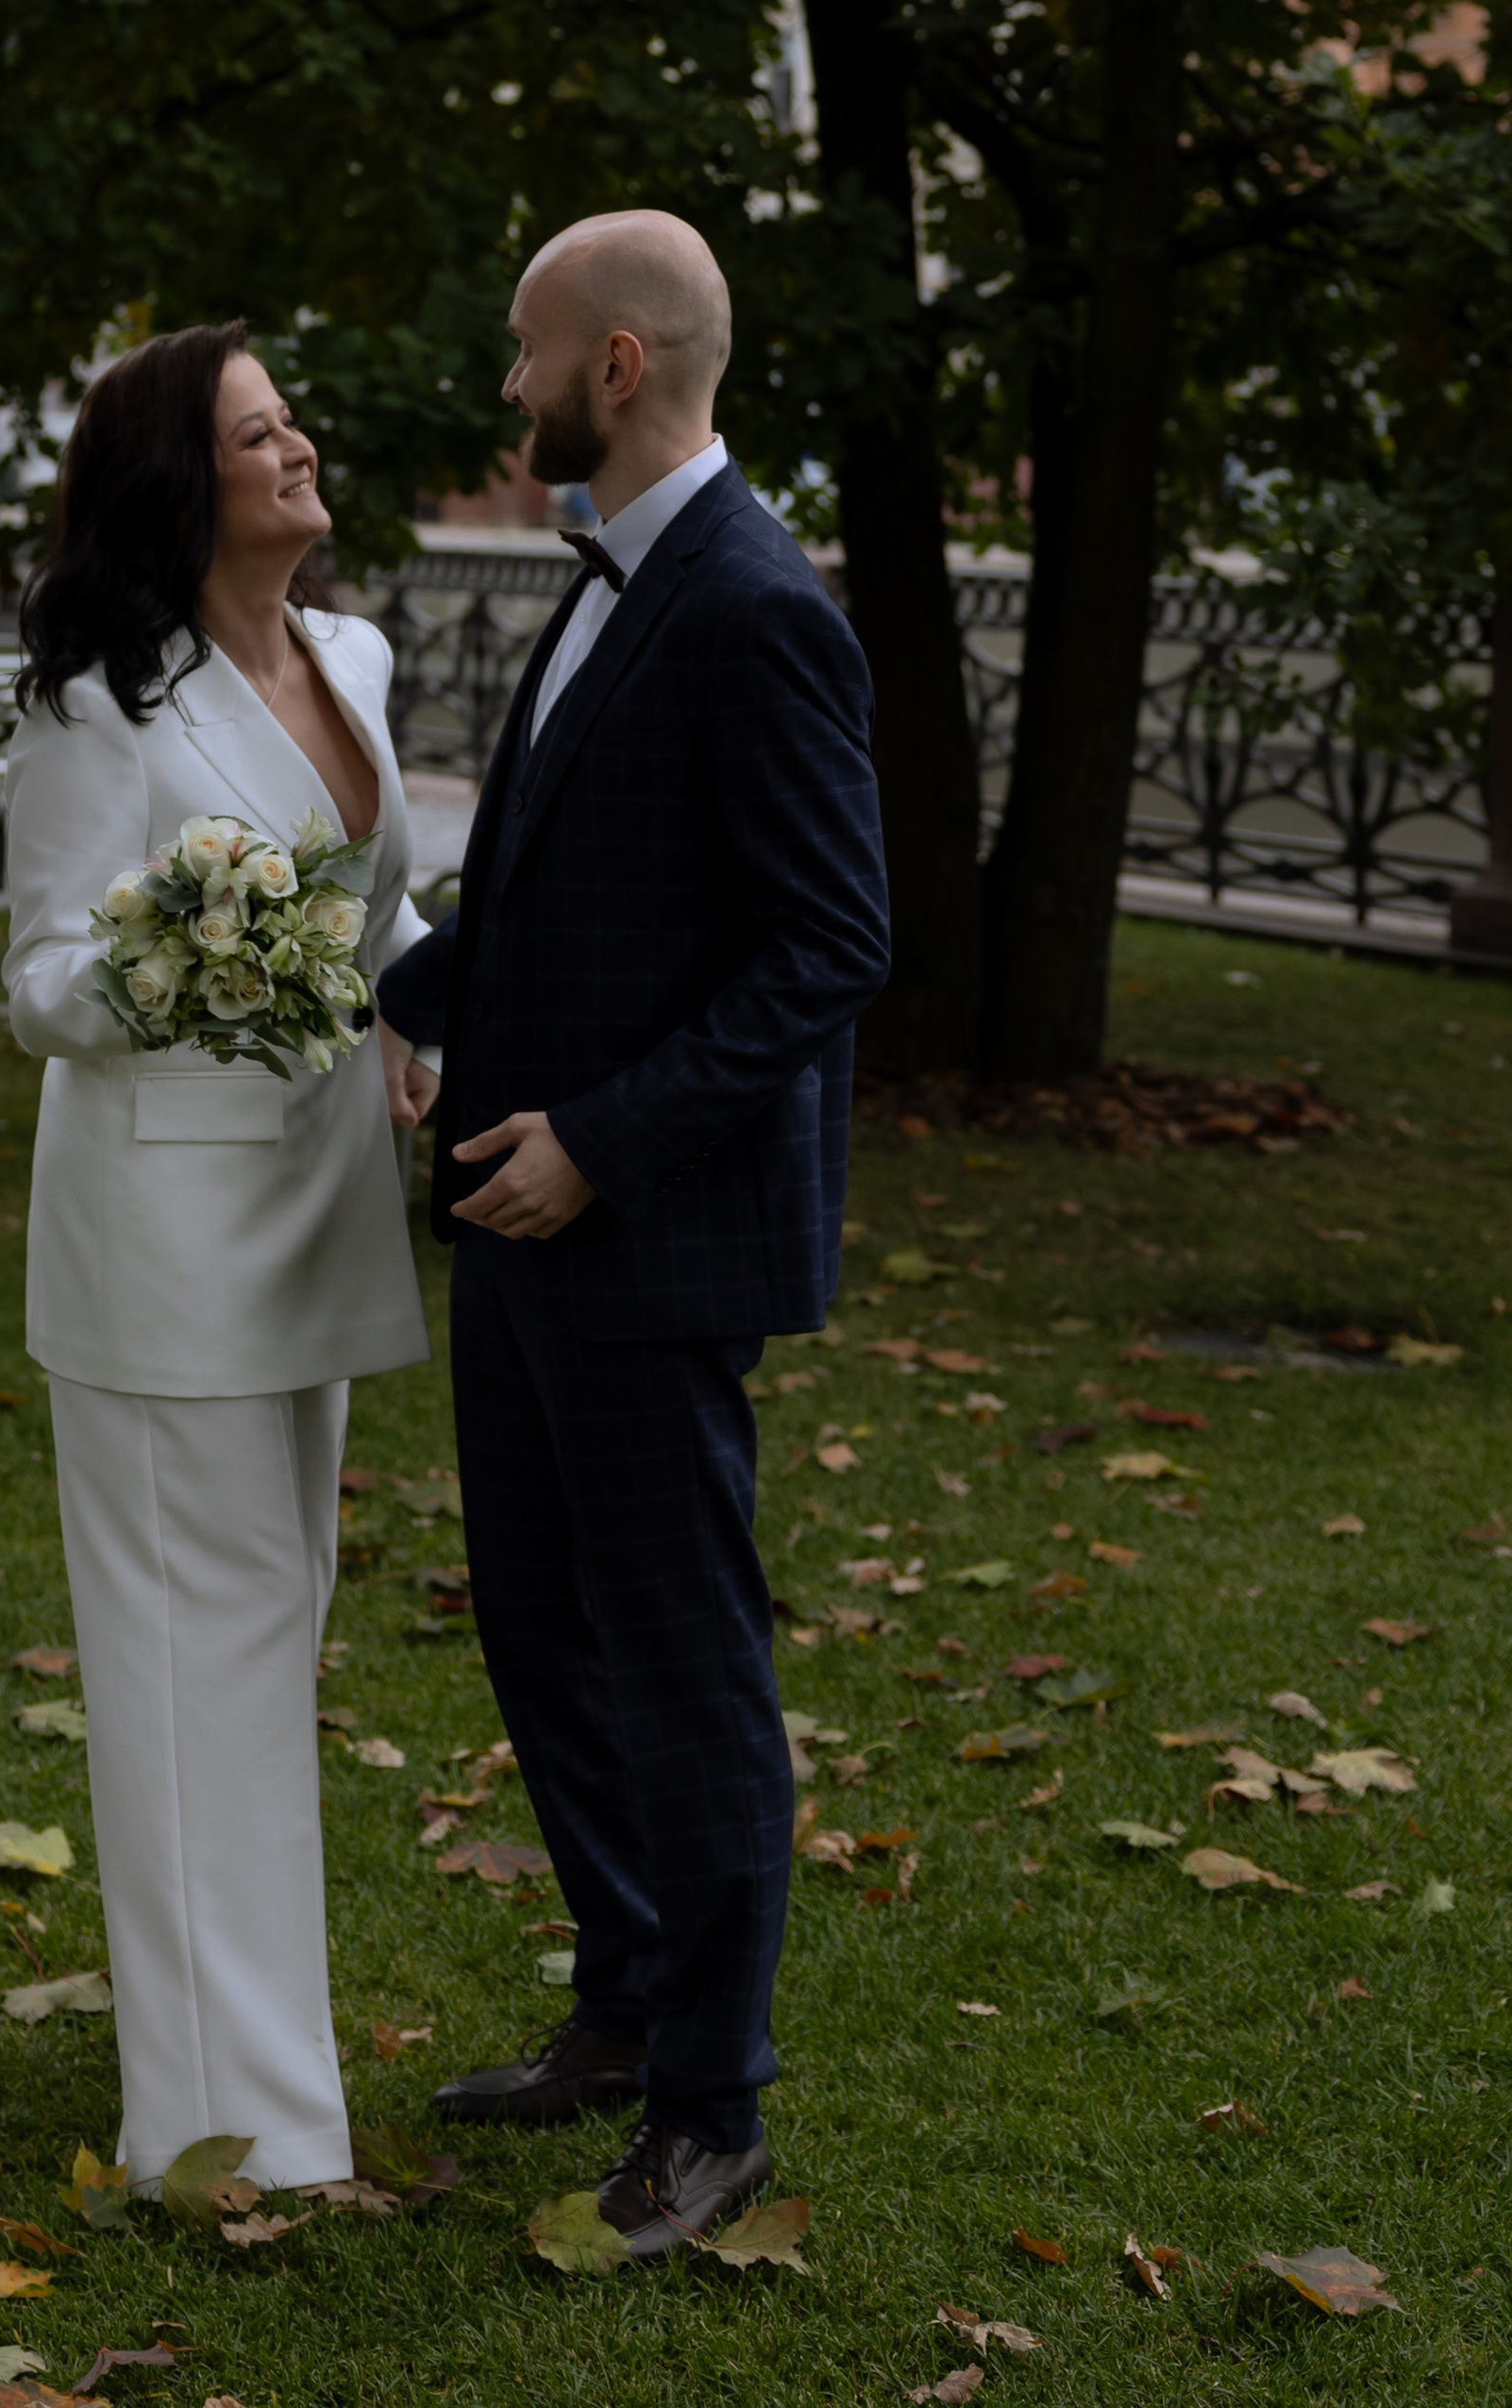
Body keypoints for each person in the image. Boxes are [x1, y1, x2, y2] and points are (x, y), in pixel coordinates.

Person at [377, 210, 889, 2260]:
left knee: (678, 1664)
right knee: (536, 1627)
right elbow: (544, 909)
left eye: (519, 355)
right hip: (514, 1215)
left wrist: (598, 1140)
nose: (499, 393)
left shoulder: (755, 602)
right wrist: (378, 998)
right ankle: (621, 1995)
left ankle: (712, 2103)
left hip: (637, 1233)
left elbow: (827, 943)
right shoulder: (617, 577)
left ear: (607, 363)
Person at [1, 319, 431, 2195]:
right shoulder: (96, 699)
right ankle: (224, 2126)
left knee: (272, 1639)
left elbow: (385, 906)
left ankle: (259, 2087)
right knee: (196, 1669)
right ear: (186, 481)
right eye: (257, 432)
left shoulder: (352, 655)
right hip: (162, 1241)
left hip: (318, 1214)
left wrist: (418, 1021)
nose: (294, 449)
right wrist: (198, 950)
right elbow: (39, 987)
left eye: (290, 421)